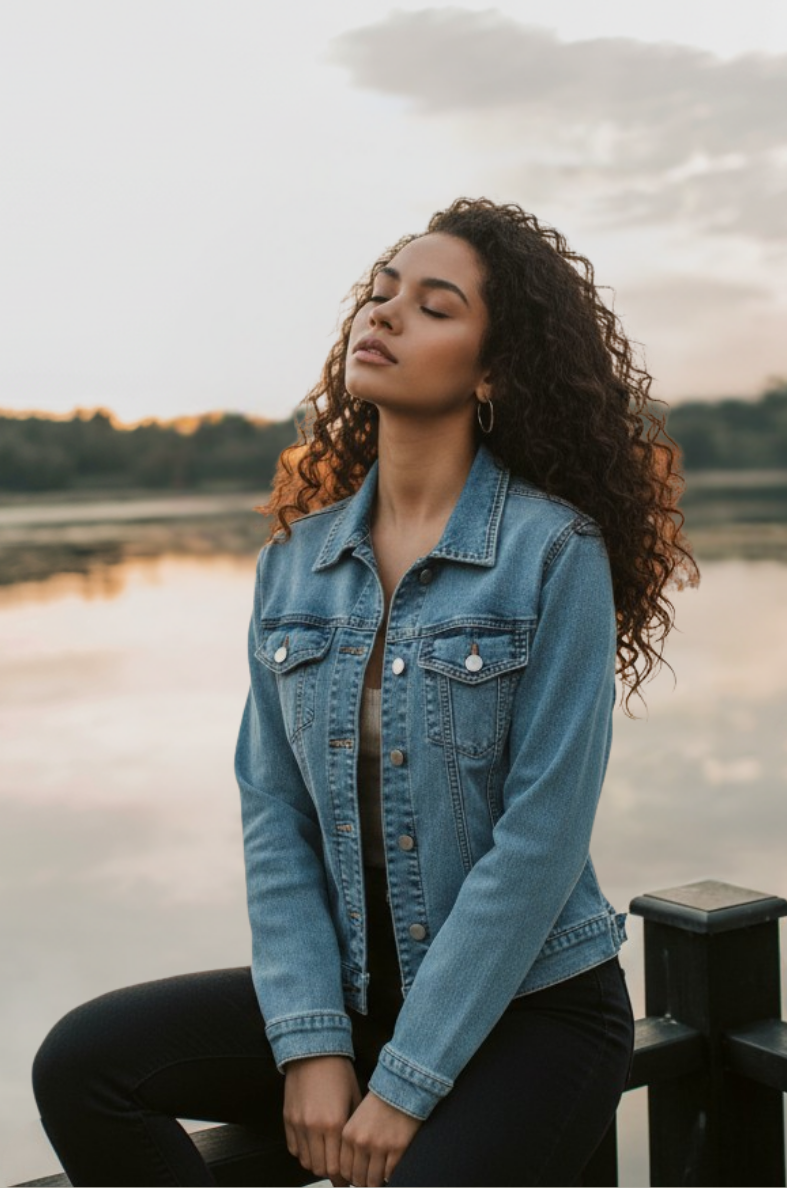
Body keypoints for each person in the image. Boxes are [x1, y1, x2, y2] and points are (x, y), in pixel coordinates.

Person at [32, 197, 697, 1187]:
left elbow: (540, 841)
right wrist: (309, 1043)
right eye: (380, 295)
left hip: (532, 1010)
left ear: (495, 370)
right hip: (352, 994)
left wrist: (404, 1081)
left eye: (433, 307)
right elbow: (274, 815)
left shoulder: (554, 551)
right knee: (87, 1065)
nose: (382, 316)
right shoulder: (296, 563)